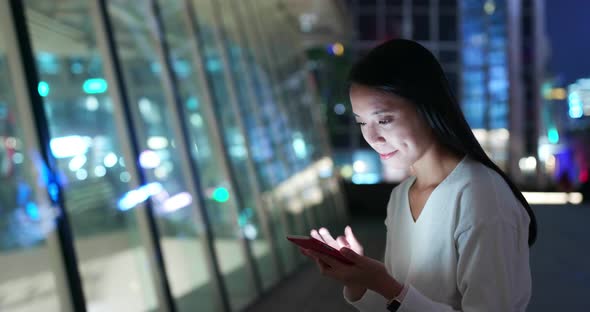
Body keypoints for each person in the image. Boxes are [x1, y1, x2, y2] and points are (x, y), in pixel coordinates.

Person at [299, 39, 536, 311]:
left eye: (384, 120)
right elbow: (398, 304)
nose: (372, 137)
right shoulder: (400, 197)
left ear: (426, 107)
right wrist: (361, 280)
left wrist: (385, 284)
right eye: (361, 122)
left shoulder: (481, 194)